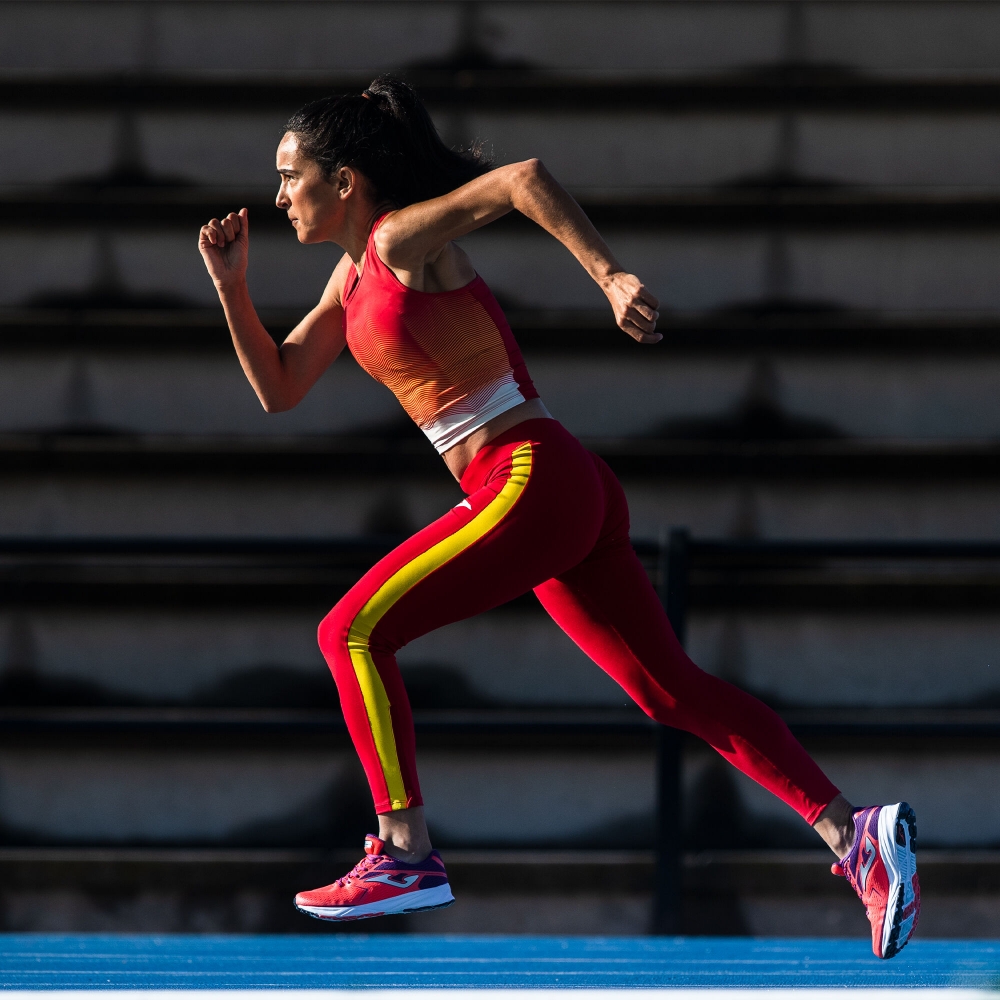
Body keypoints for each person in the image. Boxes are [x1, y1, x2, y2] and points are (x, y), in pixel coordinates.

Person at [198, 77, 919, 957]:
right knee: (668, 691)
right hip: (562, 486)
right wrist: (233, 289)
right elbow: (278, 390)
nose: (277, 197)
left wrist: (609, 276)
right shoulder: (350, 278)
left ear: (344, 181)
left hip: (526, 477)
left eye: (290, 177)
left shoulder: (399, 238)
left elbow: (522, 178)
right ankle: (857, 838)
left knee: (350, 633)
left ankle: (403, 850)